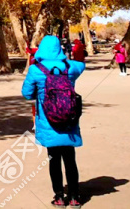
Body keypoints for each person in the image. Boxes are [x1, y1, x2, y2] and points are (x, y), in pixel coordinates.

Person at [21, 35, 85, 207]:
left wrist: (41, 94)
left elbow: (27, 94)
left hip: (48, 120)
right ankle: (74, 196)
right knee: (70, 159)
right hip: (69, 118)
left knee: (54, 160)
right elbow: (82, 65)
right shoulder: (70, 67)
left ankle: (59, 196)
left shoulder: (36, 70)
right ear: (59, 48)